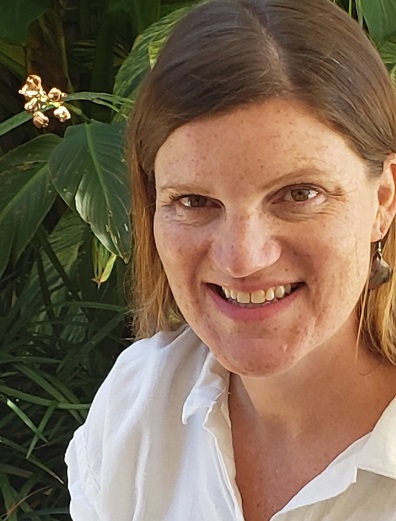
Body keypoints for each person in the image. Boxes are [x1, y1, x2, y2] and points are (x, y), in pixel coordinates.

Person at [65, 0, 396, 519]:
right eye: (194, 201)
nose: (242, 258)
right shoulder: (135, 408)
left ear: (383, 201)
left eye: (299, 193)